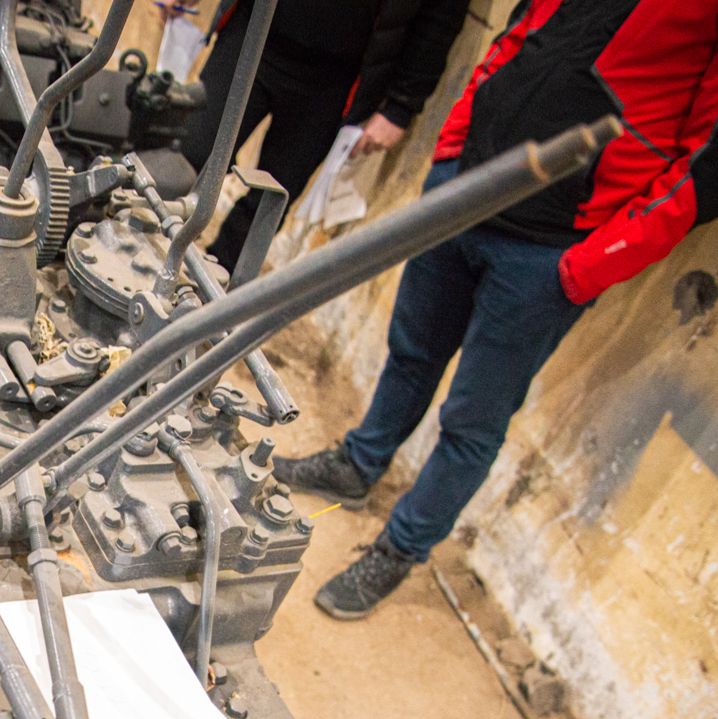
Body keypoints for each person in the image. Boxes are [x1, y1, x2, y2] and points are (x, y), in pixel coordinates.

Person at [274, 0, 718, 620]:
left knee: (473, 420)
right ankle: (357, 465)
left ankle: (400, 548)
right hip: (465, 191)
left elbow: (704, 166)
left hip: (553, 250)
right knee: (412, 352)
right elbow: (519, 32)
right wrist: (451, 154)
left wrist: (592, 263)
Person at [181, 0, 469, 269]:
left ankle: (213, 293)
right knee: (187, 157)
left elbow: (442, 14)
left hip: (335, 78)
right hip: (253, 31)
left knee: (266, 207)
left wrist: (401, 106)